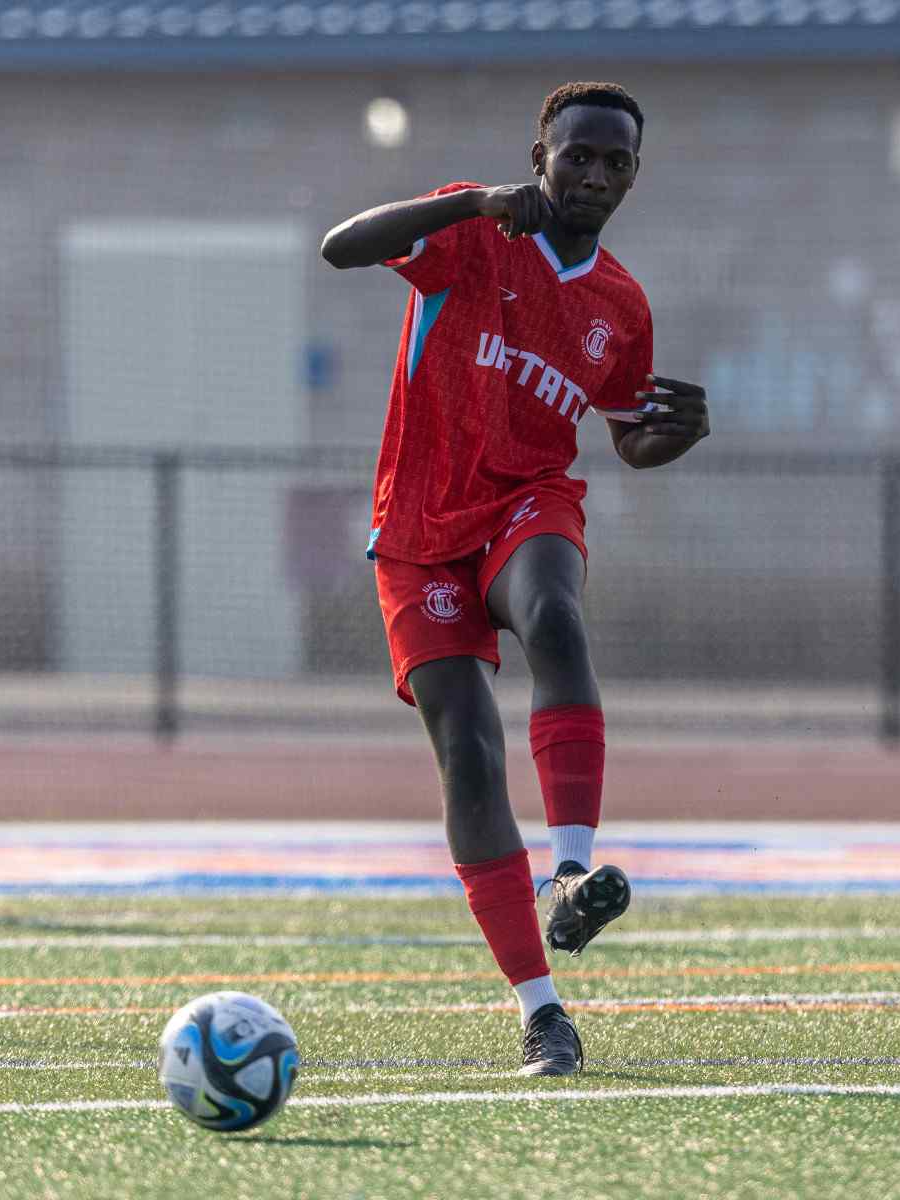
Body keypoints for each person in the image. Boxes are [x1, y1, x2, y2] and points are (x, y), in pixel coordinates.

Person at [321, 81, 709, 1074]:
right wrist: (470, 204)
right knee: (466, 748)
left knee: (555, 616)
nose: (593, 173)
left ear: (633, 177)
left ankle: (571, 873)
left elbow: (628, 438)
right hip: (417, 530)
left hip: (526, 501)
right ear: (539, 156)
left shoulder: (621, 303)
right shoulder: (472, 235)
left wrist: (673, 437)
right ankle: (542, 1010)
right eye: (576, 154)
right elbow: (342, 245)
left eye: (614, 161)